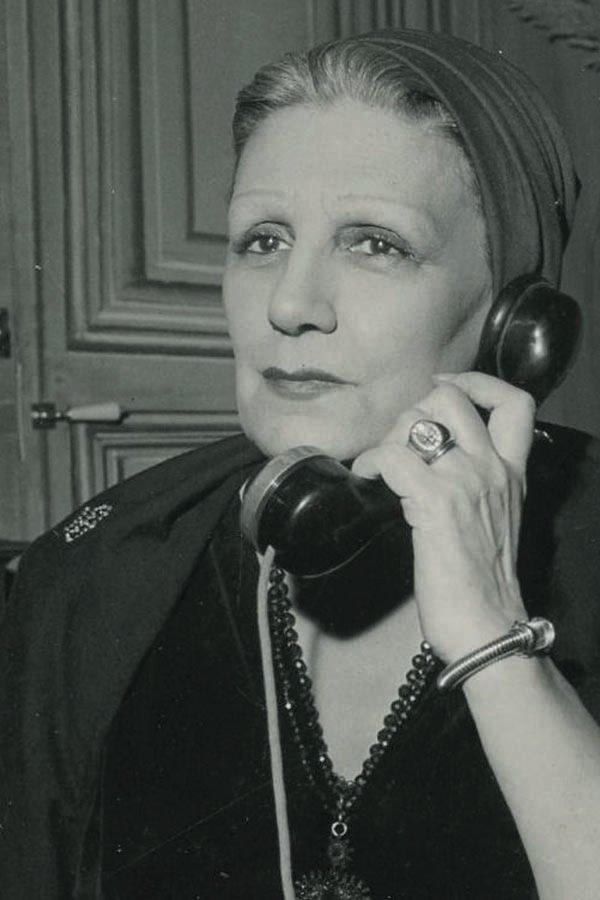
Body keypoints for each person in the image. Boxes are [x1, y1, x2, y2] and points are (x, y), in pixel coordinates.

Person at [1, 27, 600, 900]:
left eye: (376, 243)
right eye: (262, 241)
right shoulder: (91, 578)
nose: (289, 304)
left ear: (516, 319)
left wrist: (495, 642)